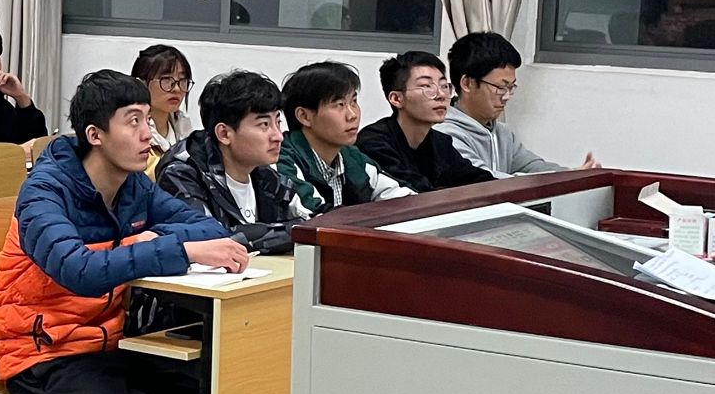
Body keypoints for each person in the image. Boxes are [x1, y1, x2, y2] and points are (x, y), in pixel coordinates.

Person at [0, 69, 246, 394]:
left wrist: (151, 239)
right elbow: (78, 271)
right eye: (133, 121)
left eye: (148, 119)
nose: (148, 134)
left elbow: (208, 228)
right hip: (41, 353)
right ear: (95, 135)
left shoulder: (134, 185)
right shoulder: (45, 192)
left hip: (110, 343)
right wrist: (163, 247)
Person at [154, 70, 295, 247]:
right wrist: (292, 232)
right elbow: (209, 238)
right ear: (224, 134)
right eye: (264, 125)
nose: (278, 136)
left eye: (278, 122)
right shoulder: (181, 173)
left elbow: (308, 221)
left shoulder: (265, 176)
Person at [439, 33, 595, 175]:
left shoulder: (503, 134)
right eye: (500, 87)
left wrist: (571, 175)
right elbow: (484, 181)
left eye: (511, 87)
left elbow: (534, 167)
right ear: (467, 83)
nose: (506, 96)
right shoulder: (444, 136)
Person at [277, 62, 415, 215]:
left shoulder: (352, 157)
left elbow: (403, 197)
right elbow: (314, 216)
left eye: (353, 102)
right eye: (340, 104)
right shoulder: (282, 159)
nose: (352, 115)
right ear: (304, 116)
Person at [359, 52, 492, 193]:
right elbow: (413, 192)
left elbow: (478, 179)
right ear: (396, 99)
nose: (441, 95)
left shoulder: (441, 143)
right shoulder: (374, 143)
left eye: (444, 86)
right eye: (426, 86)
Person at [132, 45, 195, 157]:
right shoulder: (132, 132)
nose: (177, 89)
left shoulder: (183, 125)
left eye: (182, 80)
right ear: (141, 84)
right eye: (166, 79)